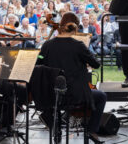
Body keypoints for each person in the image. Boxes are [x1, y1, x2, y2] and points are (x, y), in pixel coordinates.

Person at [38, 12, 106, 144]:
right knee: (101, 96)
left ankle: (54, 121)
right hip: (75, 96)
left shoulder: (47, 45)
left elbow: (38, 65)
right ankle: (91, 130)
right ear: (76, 28)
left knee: (61, 98)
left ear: (61, 26)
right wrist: (86, 55)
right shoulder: (78, 45)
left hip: (52, 95)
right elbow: (96, 64)